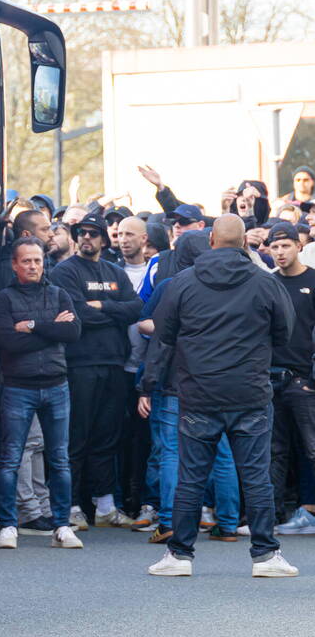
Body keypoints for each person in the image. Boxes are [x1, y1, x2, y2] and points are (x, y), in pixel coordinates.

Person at [148, 215, 298, 578]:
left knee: (191, 478)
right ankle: (265, 556)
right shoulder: (265, 282)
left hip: (198, 392)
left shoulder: (182, 283)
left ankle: (179, 555)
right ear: (245, 241)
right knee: (256, 477)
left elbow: (163, 337)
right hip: (250, 391)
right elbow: (286, 331)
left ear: (211, 239)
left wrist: (148, 383)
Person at [136, 231, 240, 545]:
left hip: (174, 381)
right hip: (220, 382)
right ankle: (229, 523)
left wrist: (146, 384)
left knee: (171, 452)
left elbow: (147, 325)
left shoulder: (172, 285)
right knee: (222, 453)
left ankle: (168, 522)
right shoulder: (232, 286)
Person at [51, 213, 143, 529]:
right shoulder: (64, 271)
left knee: (108, 437)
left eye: (93, 233)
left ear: (104, 239)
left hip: (115, 364)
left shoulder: (115, 272)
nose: (86, 238)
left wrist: (102, 307)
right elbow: (76, 315)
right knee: (76, 438)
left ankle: (105, 506)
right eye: (82, 233)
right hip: (80, 365)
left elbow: (135, 309)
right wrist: (111, 312)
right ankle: (71, 506)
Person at [0, 237, 83, 550]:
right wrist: (49, 327)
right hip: (18, 386)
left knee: (59, 459)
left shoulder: (59, 294)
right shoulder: (3, 299)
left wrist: (30, 325)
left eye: (38, 260)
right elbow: (7, 343)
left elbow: (73, 332)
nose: (33, 266)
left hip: (57, 384)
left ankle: (61, 524)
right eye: (26, 261)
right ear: (14, 265)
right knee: (10, 458)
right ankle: (7, 525)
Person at [264, 222, 315, 532]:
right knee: (274, 451)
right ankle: (270, 517)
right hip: (271, 378)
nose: (280, 252)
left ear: (298, 245)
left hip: (304, 379)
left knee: (312, 448)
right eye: (275, 247)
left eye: (285, 246)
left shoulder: (313, 279)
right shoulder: (268, 283)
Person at [115, 217, 156, 526]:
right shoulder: (110, 271)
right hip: (118, 367)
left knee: (145, 441)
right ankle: (117, 501)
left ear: (144, 239)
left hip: (147, 369)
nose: (123, 239)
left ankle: (143, 501)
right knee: (117, 438)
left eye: (130, 234)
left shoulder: (156, 272)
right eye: (119, 234)